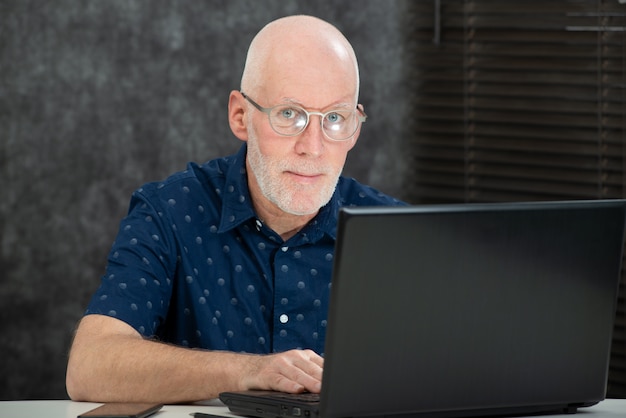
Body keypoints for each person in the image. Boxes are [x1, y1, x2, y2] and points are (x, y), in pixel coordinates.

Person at [66, 14, 404, 404]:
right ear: (240, 116)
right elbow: (89, 366)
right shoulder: (169, 212)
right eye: (289, 114)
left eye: (334, 118)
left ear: (356, 126)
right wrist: (249, 371)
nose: (313, 147)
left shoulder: (394, 233)